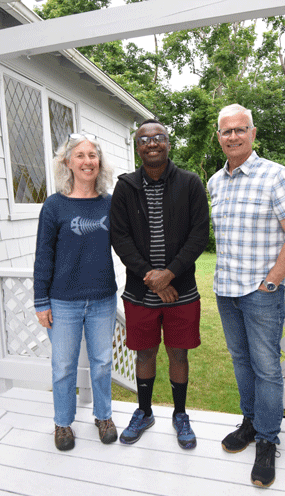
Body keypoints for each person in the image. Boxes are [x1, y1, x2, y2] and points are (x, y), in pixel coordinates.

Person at [208, 104, 285, 487]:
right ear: (219, 137)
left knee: (266, 368)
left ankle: (267, 440)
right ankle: (249, 423)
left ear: (252, 133)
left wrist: (271, 282)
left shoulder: (276, 176)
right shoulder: (216, 182)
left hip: (260, 292)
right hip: (226, 290)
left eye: (240, 129)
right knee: (241, 362)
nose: (233, 136)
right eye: (226, 131)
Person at [110, 119, 209, 449]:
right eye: (144, 139)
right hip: (140, 292)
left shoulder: (190, 183)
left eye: (159, 138)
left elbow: (199, 235)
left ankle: (180, 414)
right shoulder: (125, 187)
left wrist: (170, 272)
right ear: (137, 147)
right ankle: (145, 411)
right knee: (144, 353)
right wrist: (151, 278)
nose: (152, 143)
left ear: (168, 143)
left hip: (182, 291)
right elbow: (119, 237)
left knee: (178, 354)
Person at [34, 133, 119, 451]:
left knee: (101, 362)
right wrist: (41, 299)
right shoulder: (54, 206)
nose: (87, 161)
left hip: (102, 298)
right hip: (63, 300)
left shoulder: (109, 204)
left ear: (100, 162)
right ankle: (62, 423)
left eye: (93, 155)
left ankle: (104, 416)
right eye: (80, 155)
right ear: (67, 162)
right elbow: (44, 255)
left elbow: (126, 243)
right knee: (64, 366)